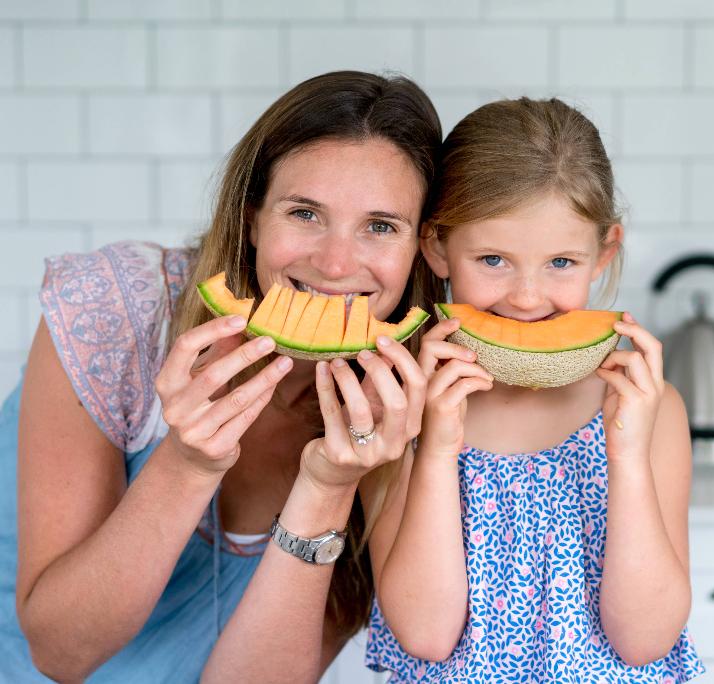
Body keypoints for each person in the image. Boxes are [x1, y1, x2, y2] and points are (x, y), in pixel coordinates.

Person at [0, 70, 445, 682]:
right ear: (252, 217)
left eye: (380, 226)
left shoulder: (419, 419)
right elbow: (60, 653)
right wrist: (187, 463)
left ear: (423, 248)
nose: (336, 263)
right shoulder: (117, 310)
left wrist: (331, 485)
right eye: (305, 213)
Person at [365, 97, 706, 682]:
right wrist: (436, 449)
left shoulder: (645, 409)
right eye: (493, 259)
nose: (526, 297)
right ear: (437, 246)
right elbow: (424, 635)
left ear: (604, 253)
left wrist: (626, 457)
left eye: (561, 262)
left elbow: (645, 640)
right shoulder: (396, 402)